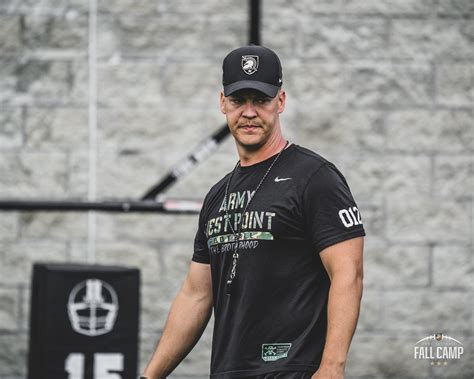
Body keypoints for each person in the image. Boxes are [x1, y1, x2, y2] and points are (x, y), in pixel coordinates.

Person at [143, 45, 365, 379]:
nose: (249, 112)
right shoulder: (218, 195)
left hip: (293, 371)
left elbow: (349, 273)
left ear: (281, 102)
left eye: (260, 100)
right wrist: (150, 376)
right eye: (238, 100)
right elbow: (196, 295)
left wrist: (332, 367)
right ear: (222, 103)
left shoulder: (315, 178)